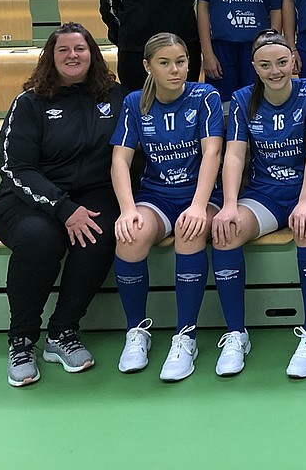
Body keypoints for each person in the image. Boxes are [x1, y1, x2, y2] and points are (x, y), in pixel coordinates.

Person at [0, 23, 127, 387]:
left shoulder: (115, 97)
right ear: (50, 57)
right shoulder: (30, 103)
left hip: (92, 193)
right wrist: (63, 208)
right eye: (63, 49)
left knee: (101, 233)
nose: (72, 55)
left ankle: (62, 332)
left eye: (80, 48)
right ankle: (22, 339)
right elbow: (16, 168)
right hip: (27, 200)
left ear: (92, 54)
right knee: (41, 238)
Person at [210, 30, 306, 378]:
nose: (275, 71)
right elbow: (235, 155)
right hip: (265, 194)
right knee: (226, 231)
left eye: (281, 62)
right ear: (254, 66)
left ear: (293, 61)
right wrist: (229, 204)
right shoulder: (242, 98)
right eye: (265, 65)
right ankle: (236, 334)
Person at [110, 32, 224, 382]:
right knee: (130, 237)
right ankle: (136, 331)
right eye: (165, 63)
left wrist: (198, 205)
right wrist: (127, 210)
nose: (175, 70)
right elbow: (119, 160)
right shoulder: (135, 103)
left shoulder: (204, 96)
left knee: (189, 234)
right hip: (157, 196)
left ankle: (185, 336)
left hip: (202, 196)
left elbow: (213, 152)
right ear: (148, 66)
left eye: (181, 62)